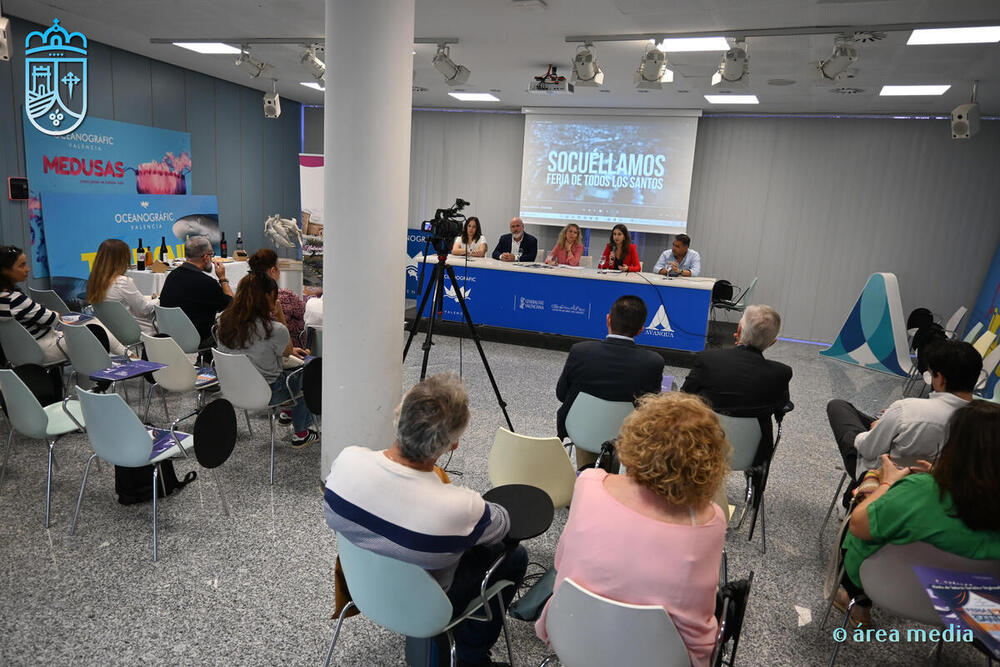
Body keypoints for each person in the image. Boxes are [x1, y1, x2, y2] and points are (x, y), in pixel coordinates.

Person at [324, 373, 528, 667]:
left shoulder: (346, 462)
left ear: (398, 417)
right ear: (452, 444)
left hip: (362, 590)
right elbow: (503, 525)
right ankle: (472, 656)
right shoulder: (459, 506)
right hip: (429, 607)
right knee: (515, 556)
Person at [536, 392, 729, 667]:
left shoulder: (589, 483)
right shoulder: (710, 521)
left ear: (633, 438)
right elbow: (699, 616)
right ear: (708, 461)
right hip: (662, 657)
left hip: (571, 635)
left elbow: (562, 561)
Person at [838, 401, 1000, 628]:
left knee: (860, 512)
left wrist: (886, 482)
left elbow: (858, 526)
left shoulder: (921, 489)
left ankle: (857, 603)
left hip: (884, 585)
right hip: (972, 607)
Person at [827, 339, 981, 503]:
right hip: (940, 491)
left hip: (885, 479)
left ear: (941, 378)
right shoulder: (987, 422)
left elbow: (868, 449)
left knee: (838, 407)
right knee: (884, 424)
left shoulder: (907, 409)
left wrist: (872, 430)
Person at [556, 295, 664, 467]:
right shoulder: (653, 362)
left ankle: (586, 475)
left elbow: (561, 394)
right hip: (626, 437)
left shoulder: (580, 351)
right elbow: (647, 409)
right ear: (641, 330)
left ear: (608, 319)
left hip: (580, 429)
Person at [216, 271, 317, 447]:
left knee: (287, 367)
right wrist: (279, 315)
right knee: (307, 370)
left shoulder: (223, 321)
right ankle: (301, 433)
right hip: (269, 392)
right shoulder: (275, 329)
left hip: (233, 388)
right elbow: (287, 352)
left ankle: (286, 413)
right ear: (268, 296)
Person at [681, 304, 792, 452]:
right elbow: (781, 406)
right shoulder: (781, 372)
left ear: (738, 330)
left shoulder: (708, 359)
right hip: (753, 452)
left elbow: (684, 395)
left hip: (705, 447)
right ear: (772, 342)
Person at [158, 235, 233, 348]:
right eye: (212, 255)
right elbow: (231, 304)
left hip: (169, 336)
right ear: (206, 257)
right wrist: (222, 278)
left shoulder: (172, 276)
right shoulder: (206, 282)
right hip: (197, 337)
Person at [0, 245, 66, 363]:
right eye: (22, 265)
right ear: (5, 270)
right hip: (42, 348)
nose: (27, 269)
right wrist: (55, 314)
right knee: (89, 338)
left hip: (16, 353)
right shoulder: (15, 300)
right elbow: (53, 319)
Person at [86, 238, 158, 335]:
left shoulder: (94, 280)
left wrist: (152, 297)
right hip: (136, 331)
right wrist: (160, 299)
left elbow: (126, 300)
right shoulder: (122, 282)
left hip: (110, 332)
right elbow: (144, 309)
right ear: (122, 259)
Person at [247, 248, 306, 345]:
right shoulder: (287, 297)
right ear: (273, 270)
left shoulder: (243, 298)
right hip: (285, 352)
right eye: (279, 268)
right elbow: (304, 316)